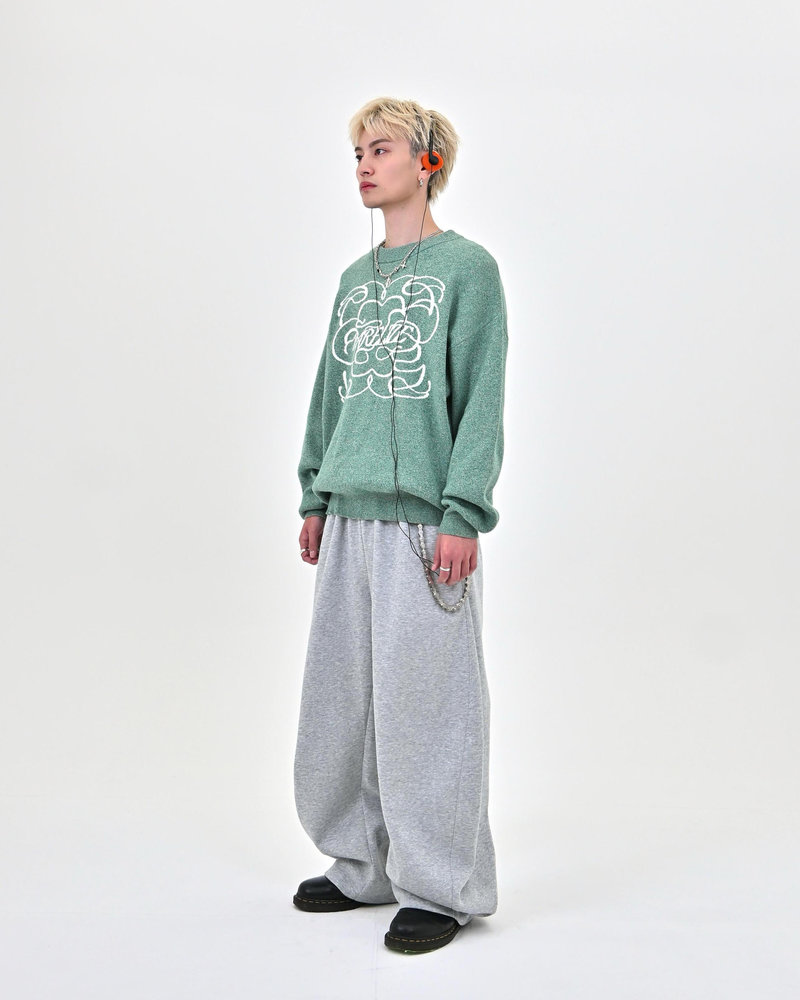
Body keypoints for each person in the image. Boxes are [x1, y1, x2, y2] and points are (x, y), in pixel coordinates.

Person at [292, 96, 509, 954]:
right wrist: (315, 494)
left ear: (426, 163)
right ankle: (362, 865)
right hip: (348, 520)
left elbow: (481, 397)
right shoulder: (356, 280)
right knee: (342, 706)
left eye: (379, 150)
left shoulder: (468, 270)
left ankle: (440, 884)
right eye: (356, 153)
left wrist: (463, 510)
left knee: (429, 707)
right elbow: (330, 393)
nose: (362, 166)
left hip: (426, 528)